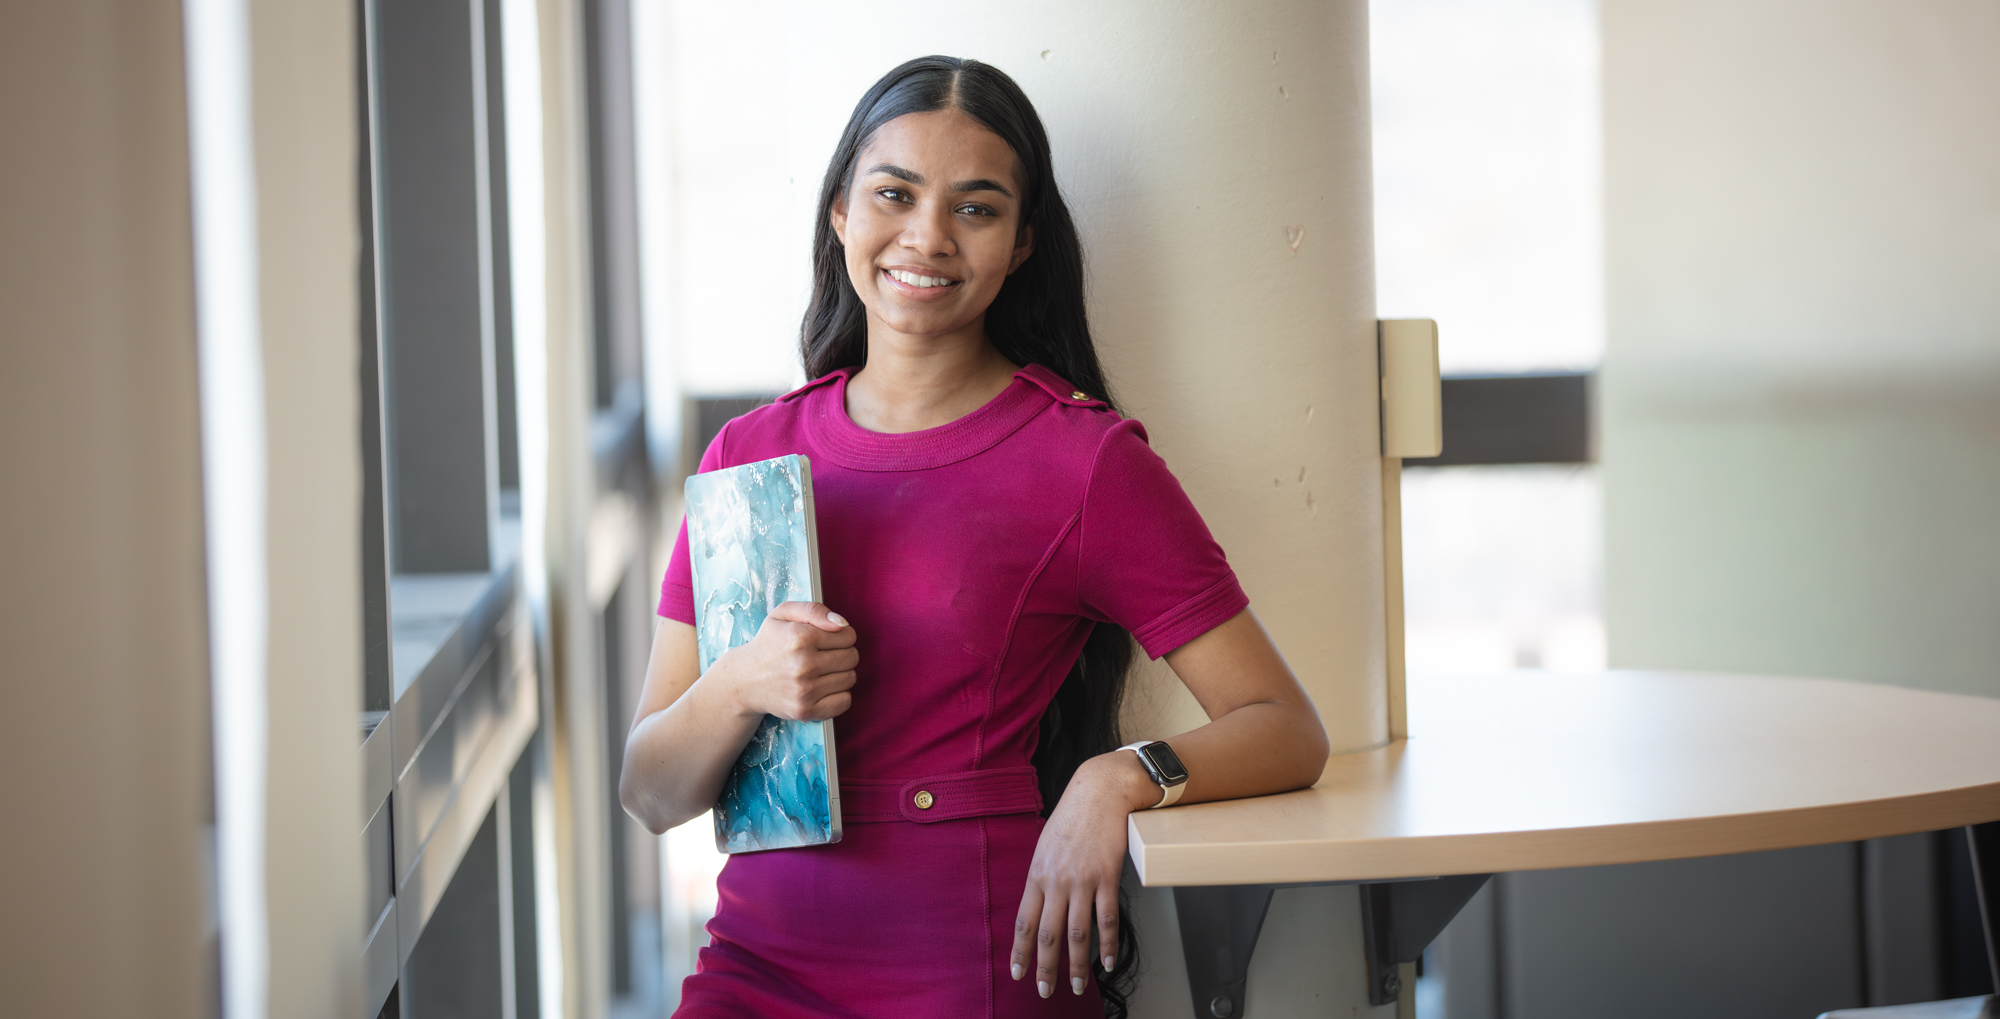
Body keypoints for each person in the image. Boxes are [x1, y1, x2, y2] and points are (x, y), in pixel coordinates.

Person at [619, 55, 1330, 1019]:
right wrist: (743, 681)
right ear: (839, 213)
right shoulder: (747, 456)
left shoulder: (1084, 462)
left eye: (976, 207)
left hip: (970, 965)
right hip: (754, 966)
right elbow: (652, 792)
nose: (927, 236)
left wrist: (1118, 777)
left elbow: (1286, 727)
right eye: (894, 192)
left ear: (1023, 241)